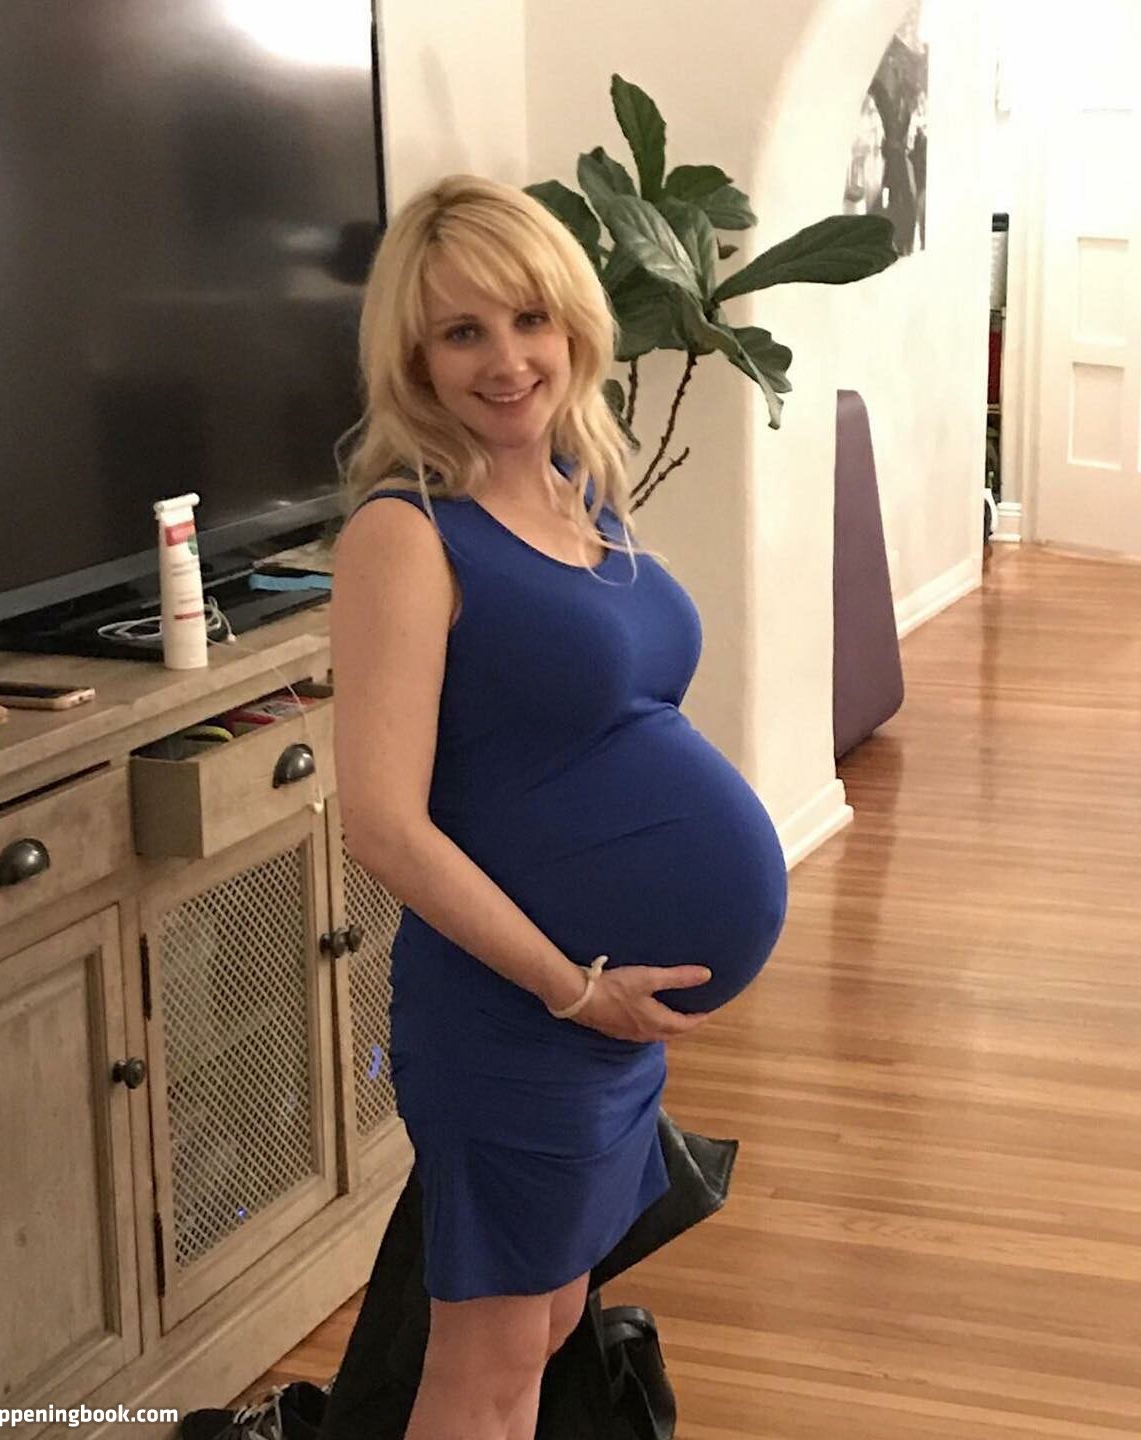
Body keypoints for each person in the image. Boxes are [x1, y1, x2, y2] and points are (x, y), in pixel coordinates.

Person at [329, 174, 789, 1440]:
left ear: (574, 319)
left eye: (529, 318)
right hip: (516, 1014)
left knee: (541, 1330)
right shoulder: (406, 534)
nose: (507, 360)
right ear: (413, 358)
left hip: (601, 1023)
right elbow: (382, 824)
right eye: (461, 332)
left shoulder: (581, 487)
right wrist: (571, 988)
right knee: (482, 1369)